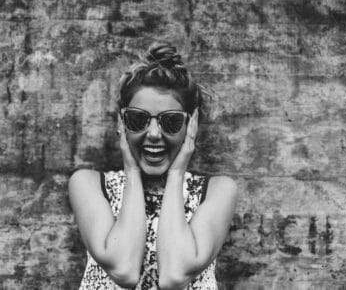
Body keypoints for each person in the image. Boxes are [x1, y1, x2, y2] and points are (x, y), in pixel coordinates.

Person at [69, 42, 237, 289]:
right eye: (138, 119)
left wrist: (177, 174)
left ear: (190, 125)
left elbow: (175, 275)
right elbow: (124, 270)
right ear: (122, 121)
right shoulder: (88, 185)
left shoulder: (218, 191)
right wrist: (132, 171)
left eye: (170, 122)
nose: (154, 134)